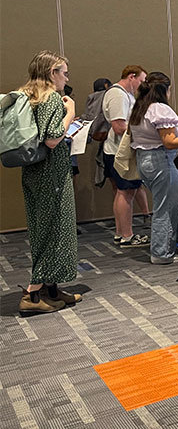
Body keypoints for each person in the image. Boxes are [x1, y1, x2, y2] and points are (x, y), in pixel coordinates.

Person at [17, 50, 82, 315]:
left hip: (34, 172)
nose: (67, 78)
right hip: (51, 174)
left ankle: (51, 289)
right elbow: (53, 138)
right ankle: (33, 294)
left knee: (45, 226)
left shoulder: (28, 97)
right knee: (53, 230)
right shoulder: (52, 99)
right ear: (52, 73)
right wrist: (70, 113)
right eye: (64, 72)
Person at [129, 72, 178, 264]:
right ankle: (161, 253)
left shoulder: (140, 107)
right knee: (165, 208)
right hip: (162, 161)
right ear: (164, 90)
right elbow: (170, 141)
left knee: (173, 204)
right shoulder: (160, 109)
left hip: (145, 161)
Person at [102, 65, 150, 247]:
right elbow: (119, 126)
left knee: (122, 193)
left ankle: (121, 232)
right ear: (132, 76)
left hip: (118, 150)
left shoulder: (124, 94)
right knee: (126, 193)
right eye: (141, 80)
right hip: (120, 152)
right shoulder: (118, 95)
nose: (142, 84)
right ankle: (127, 235)